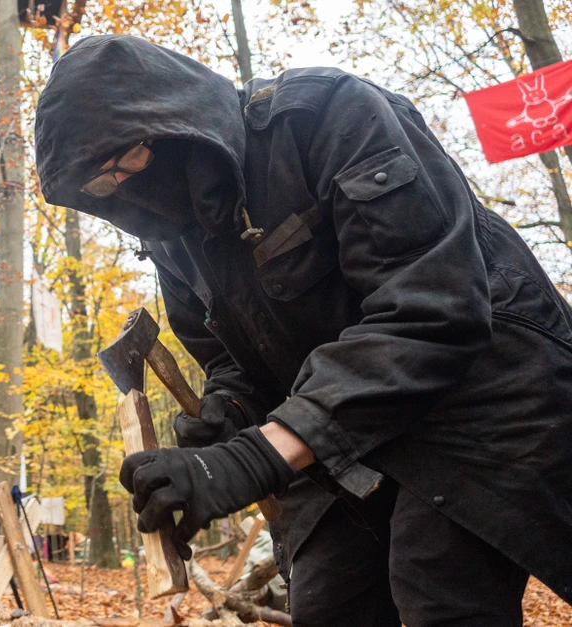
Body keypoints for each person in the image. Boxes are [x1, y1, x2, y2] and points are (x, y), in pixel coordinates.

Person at [35, 34, 572, 626]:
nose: (123, 191)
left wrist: (255, 457)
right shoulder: (171, 237)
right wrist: (227, 420)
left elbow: (431, 309)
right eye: (101, 188)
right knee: (329, 603)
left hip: (480, 392)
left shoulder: (325, 117)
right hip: (342, 431)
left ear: (172, 123)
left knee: (436, 587)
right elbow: (233, 358)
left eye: (125, 163)